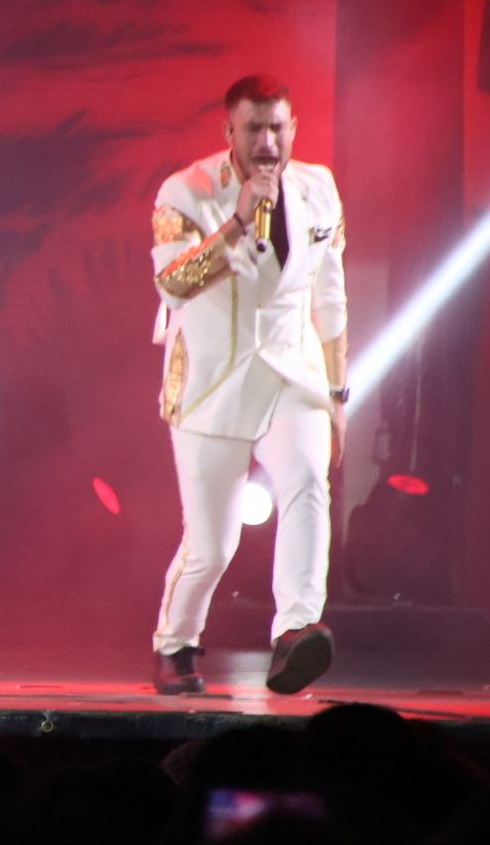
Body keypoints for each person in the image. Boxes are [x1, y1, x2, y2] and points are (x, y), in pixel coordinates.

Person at [149, 74, 348, 696]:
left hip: (292, 373)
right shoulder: (185, 191)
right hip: (212, 381)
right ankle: (175, 643)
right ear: (229, 132)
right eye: (253, 129)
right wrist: (238, 219)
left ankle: (295, 629)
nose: (267, 143)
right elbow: (174, 283)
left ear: (294, 129)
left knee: (307, 482)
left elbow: (331, 297)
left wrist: (338, 393)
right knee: (212, 546)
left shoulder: (319, 189)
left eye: (276, 128)